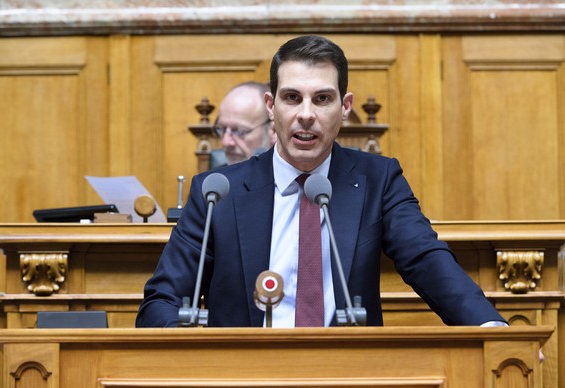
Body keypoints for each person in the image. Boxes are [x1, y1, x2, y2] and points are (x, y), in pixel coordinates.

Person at [136, 35, 506, 328]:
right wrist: (186, 351)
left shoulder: (378, 180)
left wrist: (490, 327)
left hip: (345, 372)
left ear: (345, 107)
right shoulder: (217, 192)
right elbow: (162, 302)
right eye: (292, 98)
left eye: (322, 99)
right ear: (271, 106)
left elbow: (426, 259)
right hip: (242, 375)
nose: (306, 115)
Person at [214, 81, 276, 165]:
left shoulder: (295, 176)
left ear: (274, 130)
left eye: (240, 131)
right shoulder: (215, 177)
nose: (226, 142)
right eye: (222, 129)